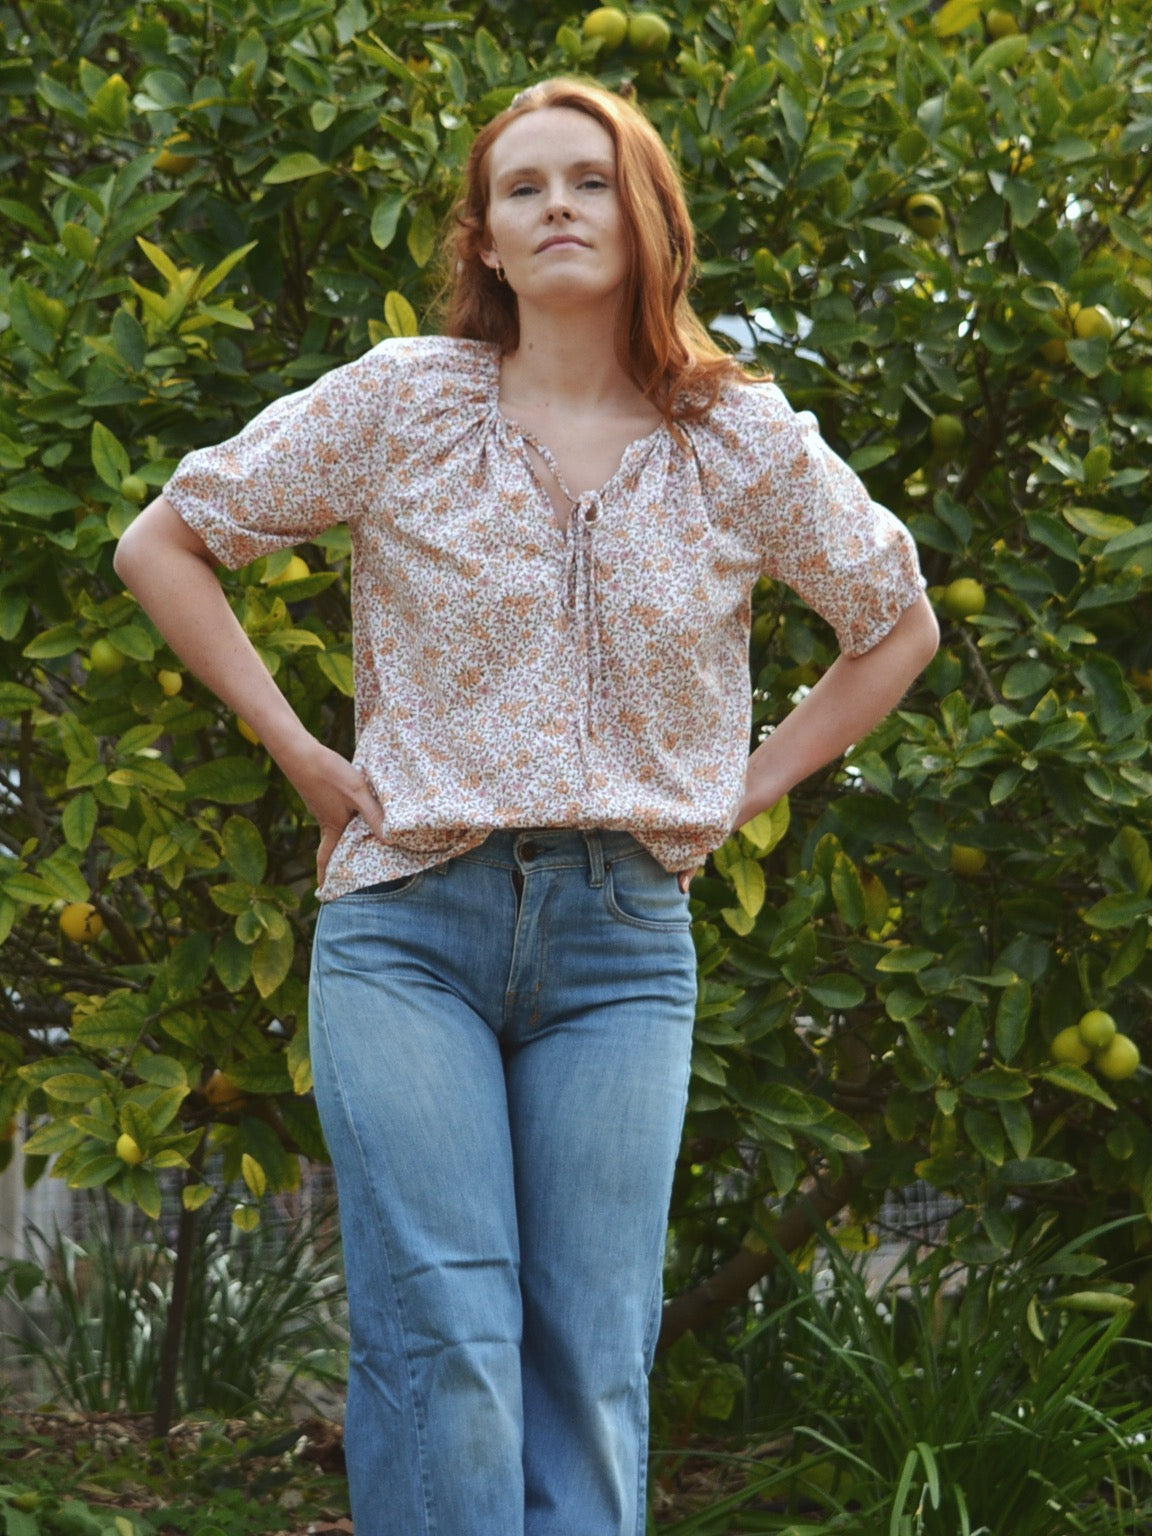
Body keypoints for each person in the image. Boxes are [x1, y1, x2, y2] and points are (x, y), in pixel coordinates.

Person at [114, 75, 938, 1536]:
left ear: (647, 218)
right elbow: (161, 543)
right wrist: (298, 750)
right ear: (486, 239)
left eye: (590, 179)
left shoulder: (740, 440)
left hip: (621, 948)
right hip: (406, 929)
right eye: (523, 187)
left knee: (593, 1354)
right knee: (448, 1337)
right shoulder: (403, 401)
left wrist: (742, 789)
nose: (558, 205)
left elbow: (898, 623)